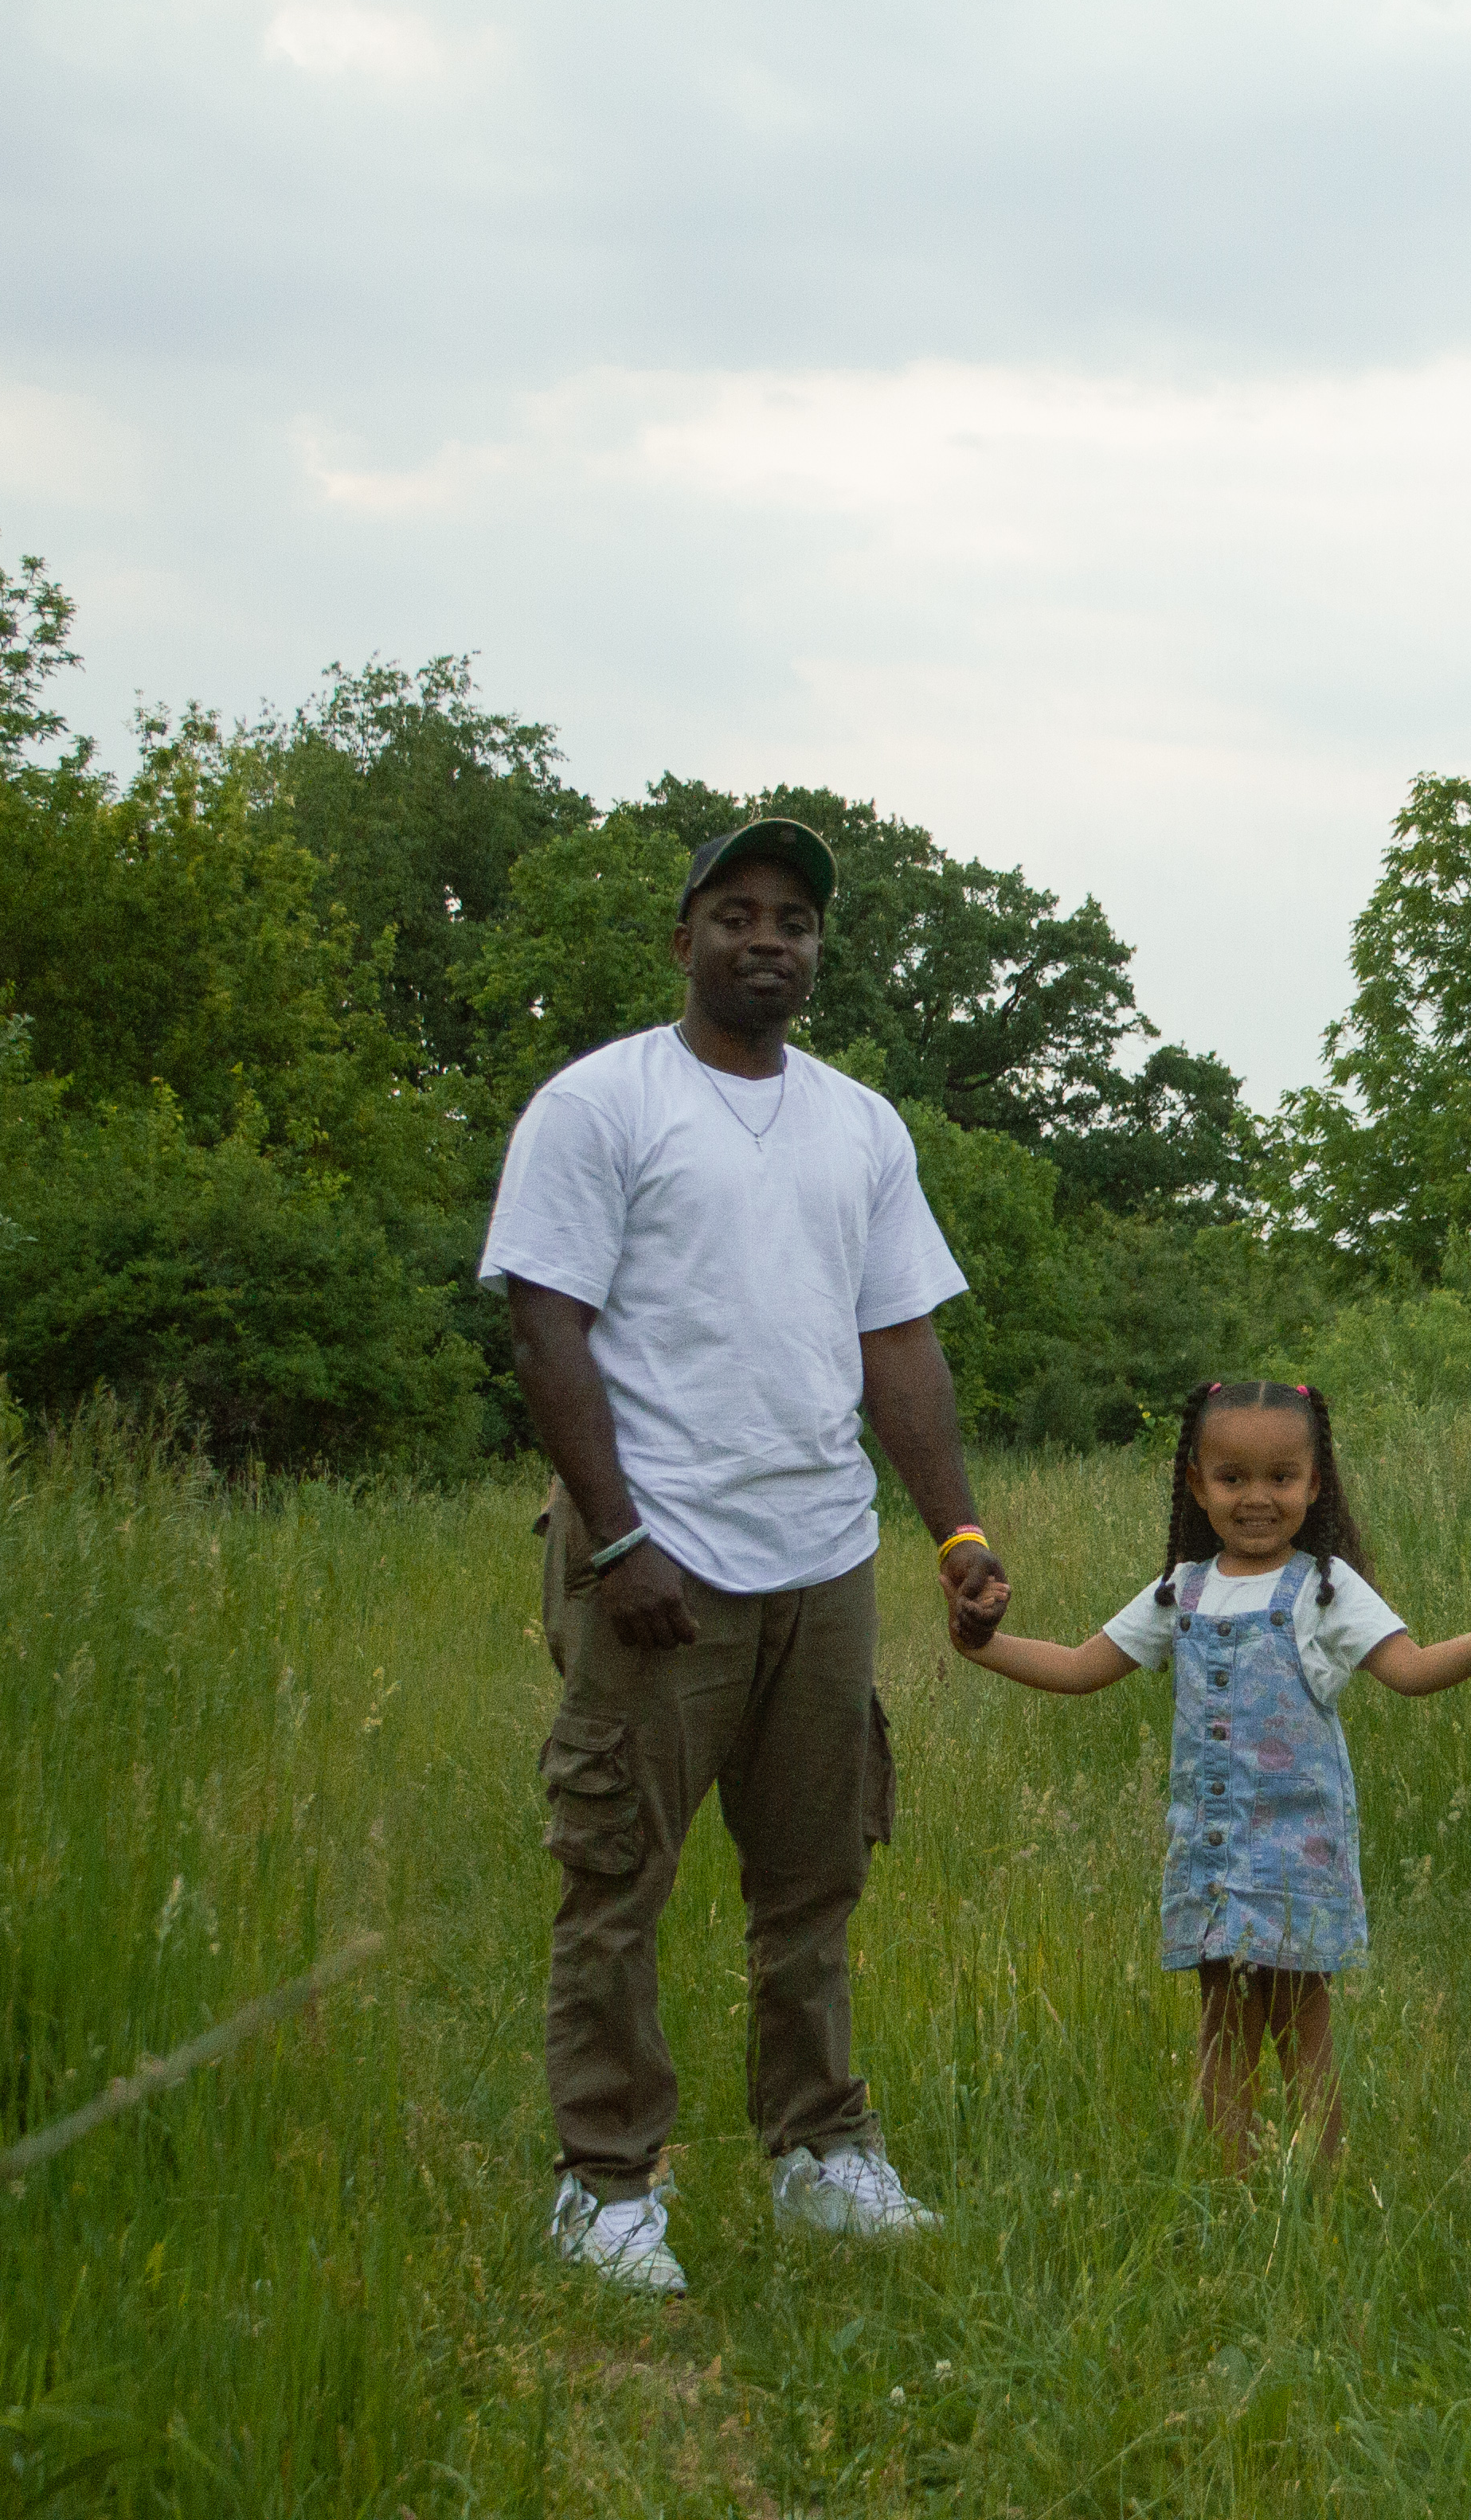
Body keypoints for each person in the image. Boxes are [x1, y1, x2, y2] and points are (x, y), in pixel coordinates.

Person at [480, 815, 1010, 2298]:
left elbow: (897, 1342)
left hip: (820, 1560)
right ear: (683, 938)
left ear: (817, 951)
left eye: (794, 919)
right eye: (737, 913)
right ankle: (606, 2186)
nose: (768, 938)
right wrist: (621, 1537)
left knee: (814, 1879)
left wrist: (955, 1530)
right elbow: (545, 1322)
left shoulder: (861, 1124)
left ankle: (820, 2153)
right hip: (659, 1564)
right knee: (616, 1884)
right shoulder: (600, 1105)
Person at [947, 1381, 1471, 2174]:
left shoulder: (1326, 1588)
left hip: (1297, 1852)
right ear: (1196, 1482)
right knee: (1221, 2015)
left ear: (1316, 1484)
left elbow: (1411, 1671)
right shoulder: (1183, 1589)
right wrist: (982, 1647)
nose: (1257, 1498)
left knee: (1299, 2013)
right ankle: (1233, 2186)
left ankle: (1324, 2185)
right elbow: (1080, 1667)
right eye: (1233, 1477)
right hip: (1209, 1850)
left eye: (1281, 1477)